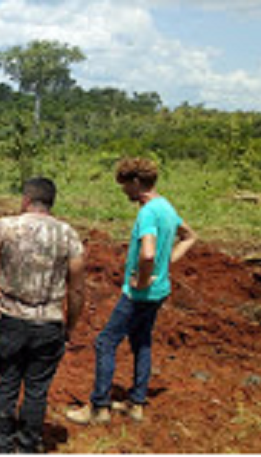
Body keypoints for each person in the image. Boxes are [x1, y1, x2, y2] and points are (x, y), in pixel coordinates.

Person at [66, 157, 197, 425]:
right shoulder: (166, 207)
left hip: (140, 294)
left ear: (137, 183)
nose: (124, 190)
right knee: (142, 342)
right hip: (160, 291)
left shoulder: (148, 211)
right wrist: (168, 260)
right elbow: (190, 236)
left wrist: (144, 278)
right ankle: (136, 403)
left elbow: (147, 254)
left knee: (105, 342)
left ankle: (98, 407)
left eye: (125, 185)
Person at [0, 177, 86, 454]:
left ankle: (3, 444)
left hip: (12, 318)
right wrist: (70, 326)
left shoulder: (6, 226)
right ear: (51, 203)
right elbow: (77, 291)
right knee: (36, 389)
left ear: (26, 200)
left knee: (8, 382)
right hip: (49, 321)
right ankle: (28, 445)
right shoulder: (68, 235)